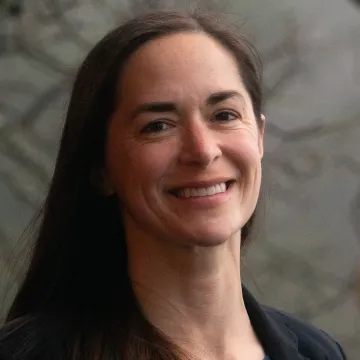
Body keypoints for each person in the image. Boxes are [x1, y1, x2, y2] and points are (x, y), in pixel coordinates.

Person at [0, 10, 347, 360]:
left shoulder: (318, 352)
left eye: (224, 115)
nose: (202, 150)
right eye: (158, 126)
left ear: (259, 136)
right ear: (100, 168)